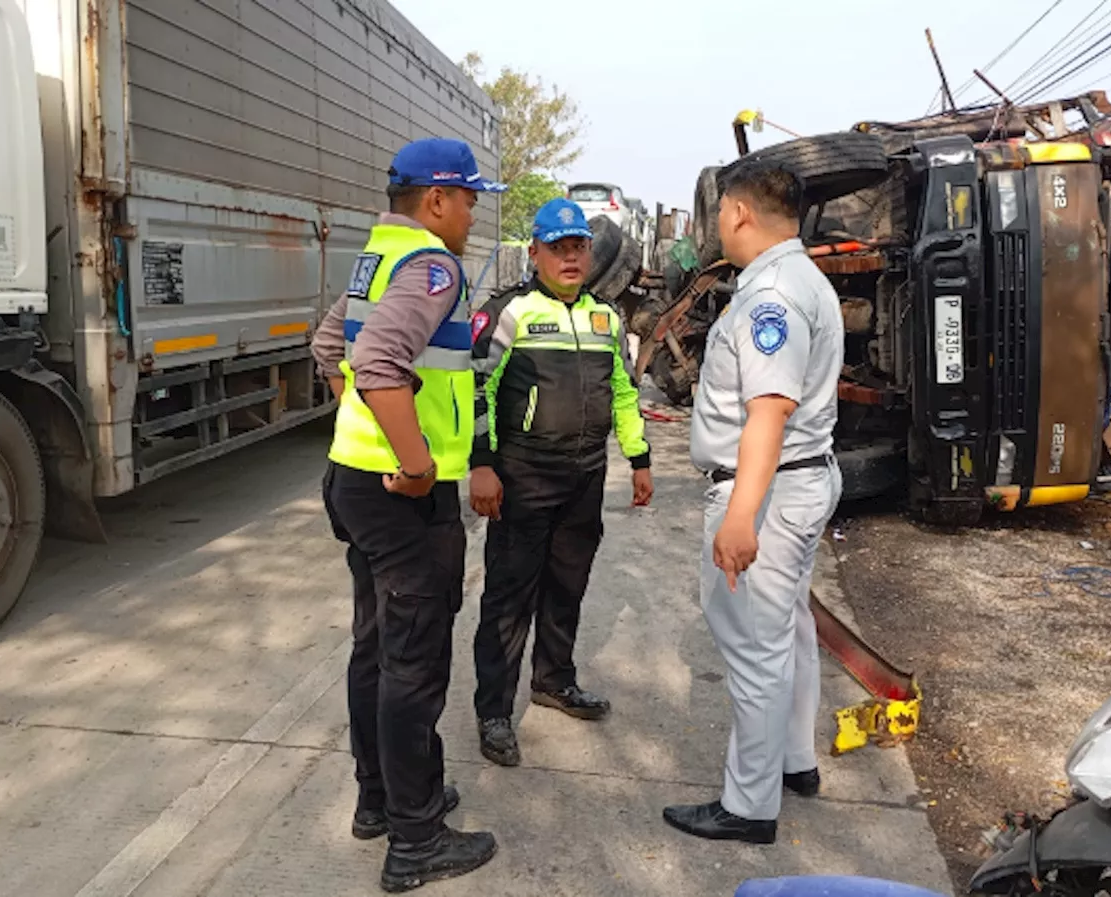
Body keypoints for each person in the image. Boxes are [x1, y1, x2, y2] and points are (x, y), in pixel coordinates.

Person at [313, 136, 504, 892]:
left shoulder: (375, 258)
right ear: (436, 199)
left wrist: (363, 436)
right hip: (401, 497)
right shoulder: (432, 264)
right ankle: (417, 840)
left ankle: (382, 799)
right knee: (413, 662)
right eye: (468, 198)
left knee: (376, 646)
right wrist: (416, 459)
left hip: (354, 483)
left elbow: (329, 349)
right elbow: (382, 363)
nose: (473, 211)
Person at [662, 160, 844, 844]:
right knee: (789, 631)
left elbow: (768, 410)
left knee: (756, 647)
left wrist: (741, 515)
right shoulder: (805, 280)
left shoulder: (770, 294)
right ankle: (793, 760)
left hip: (767, 489)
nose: (717, 225)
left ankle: (749, 804)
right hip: (798, 480)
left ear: (738, 212)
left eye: (718, 213)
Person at [468, 198, 654, 767]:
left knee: (566, 586)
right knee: (508, 596)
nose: (571, 258)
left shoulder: (606, 318)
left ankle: (553, 680)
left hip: (586, 475)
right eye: (559, 247)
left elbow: (623, 390)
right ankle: (494, 712)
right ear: (536, 253)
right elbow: (476, 391)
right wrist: (482, 464)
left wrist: (639, 456)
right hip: (521, 475)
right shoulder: (511, 312)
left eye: (579, 247)